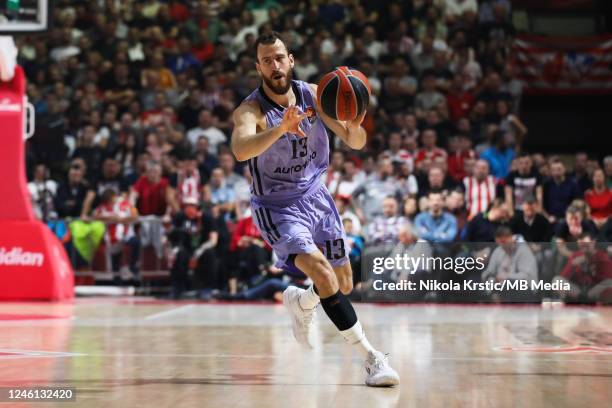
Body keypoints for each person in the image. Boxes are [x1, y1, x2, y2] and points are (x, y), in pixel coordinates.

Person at [231, 32, 399, 386]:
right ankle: (372, 359)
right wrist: (282, 129)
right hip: (278, 207)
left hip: (317, 198)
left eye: (279, 57)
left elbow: (356, 142)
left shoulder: (317, 95)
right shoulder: (251, 110)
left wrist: (353, 126)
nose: (274, 66)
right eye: (266, 60)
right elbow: (242, 149)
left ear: (290, 59)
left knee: (342, 284)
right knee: (323, 274)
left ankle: (303, 302)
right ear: (257, 67)